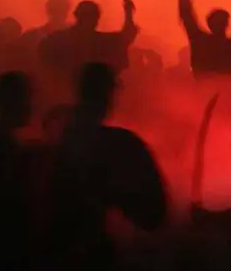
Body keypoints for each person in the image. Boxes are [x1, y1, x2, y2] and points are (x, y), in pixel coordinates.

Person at [49, 63, 167, 268]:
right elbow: (153, 214)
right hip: (91, 254)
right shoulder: (120, 145)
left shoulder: (52, 141)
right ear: (108, 96)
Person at [38, 0, 137, 84]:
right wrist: (128, 14)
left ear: (76, 15)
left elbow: (125, 37)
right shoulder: (99, 42)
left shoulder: (58, 38)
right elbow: (125, 37)